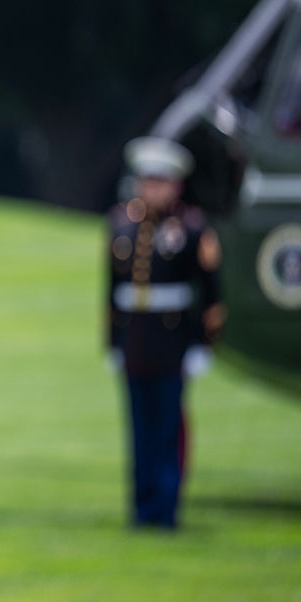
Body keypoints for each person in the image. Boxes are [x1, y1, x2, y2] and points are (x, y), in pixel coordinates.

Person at [107, 136, 225, 530]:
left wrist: (201, 344)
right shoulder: (121, 225)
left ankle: (166, 508)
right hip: (136, 341)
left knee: (167, 428)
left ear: (175, 184)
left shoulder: (191, 229)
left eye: (160, 181)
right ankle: (142, 509)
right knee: (139, 429)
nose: (152, 188)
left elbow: (209, 294)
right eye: (147, 180)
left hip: (172, 341)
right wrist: (113, 342)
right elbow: (111, 291)